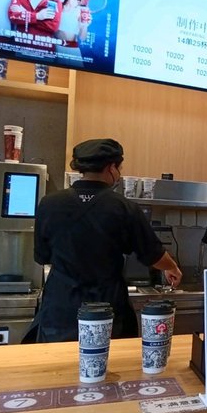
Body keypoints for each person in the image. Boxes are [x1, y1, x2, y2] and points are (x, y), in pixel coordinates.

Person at [27, 138, 182, 343]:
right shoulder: (124, 207)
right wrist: (172, 267)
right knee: (105, 359)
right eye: (119, 168)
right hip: (106, 309)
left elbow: (42, 256)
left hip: (60, 308)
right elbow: (152, 254)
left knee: (58, 360)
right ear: (111, 168)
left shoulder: (49, 203)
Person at [55, 0, 91, 66]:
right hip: (55, 47)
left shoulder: (83, 11)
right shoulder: (58, 4)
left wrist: (84, 25)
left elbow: (82, 37)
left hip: (72, 50)